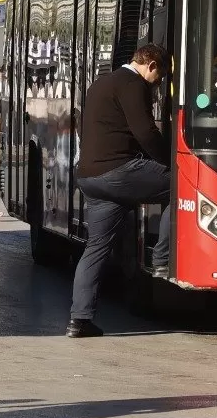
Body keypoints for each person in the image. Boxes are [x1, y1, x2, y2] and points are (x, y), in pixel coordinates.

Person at [66, 43, 172, 338]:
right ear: (151, 65)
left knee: (96, 248)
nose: (160, 83)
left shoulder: (103, 82)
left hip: (90, 177)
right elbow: (145, 132)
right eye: (161, 75)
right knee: (182, 187)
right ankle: (163, 260)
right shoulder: (133, 84)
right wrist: (172, 162)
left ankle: (79, 320)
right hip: (117, 172)